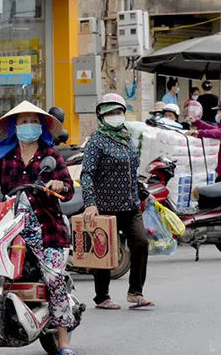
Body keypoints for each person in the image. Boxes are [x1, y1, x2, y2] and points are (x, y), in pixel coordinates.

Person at [0, 101, 76, 354]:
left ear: (41, 126)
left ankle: (63, 341)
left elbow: (68, 188)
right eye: (23, 122)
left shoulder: (51, 156)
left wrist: (59, 186)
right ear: (14, 127)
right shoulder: (4, 156)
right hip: (7, 230)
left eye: (33, 122)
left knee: (54, 280)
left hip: (47, 231)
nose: (28, 127)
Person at [81, 93, 152, 311]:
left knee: (141, 243)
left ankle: (135, 292)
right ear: (101, 116)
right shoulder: (96, 141)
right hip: (105, 208)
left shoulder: (127, 138)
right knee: (104, 252)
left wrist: (142, 191)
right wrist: (91, 203)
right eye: (110, 112)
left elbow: (131, 170)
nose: (115, 116)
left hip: (130, 205)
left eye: (118, 112)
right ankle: (102, 297)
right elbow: (87, 174)